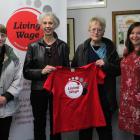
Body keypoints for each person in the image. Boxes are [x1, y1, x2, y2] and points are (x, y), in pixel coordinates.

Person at [71, 17, 120, 140]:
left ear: (103, 32)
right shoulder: (81, 48)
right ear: (89, 31)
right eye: (93, 29)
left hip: (105, 96)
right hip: (86, 97)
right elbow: (74, 70)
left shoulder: (110, 47)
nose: (96, 32)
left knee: (105, 131)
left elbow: (118, 70)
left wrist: (106, 65)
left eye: (99, 29)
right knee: (85, 131)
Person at [23, 12, 69, 140]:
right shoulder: (33, 46)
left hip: (58, 91)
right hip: (38, 90)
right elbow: (26, 72)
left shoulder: (63, 46)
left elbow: (67, 70)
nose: (48, 25)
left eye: (50, 23)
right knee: (39, 123)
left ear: (55, 25)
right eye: (45, 23)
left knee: (56, 123)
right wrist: (41, 72)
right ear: (41, 25)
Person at [0, 24, 22, 140]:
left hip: (6, 105)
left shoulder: (13, 55)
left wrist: (6, 96)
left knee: (4, 135)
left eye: (2, 35)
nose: (0, 38)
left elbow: (18, 78)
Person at [119, 22, 140, 140]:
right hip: (129, 101)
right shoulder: (127, 53)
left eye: (138, 33)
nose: (135, 36)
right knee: (136, 134)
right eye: (132, 33)